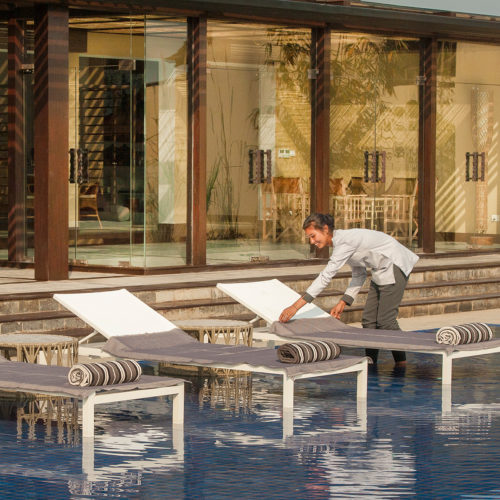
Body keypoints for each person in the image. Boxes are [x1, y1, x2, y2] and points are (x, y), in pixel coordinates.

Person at [279, 213, 419, 366]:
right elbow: (359, 274)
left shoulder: (345, 242)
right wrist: (344, 301)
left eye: (313, 236)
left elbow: (326, 276)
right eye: (309, 238)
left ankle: (402, 363)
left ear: (325, 229)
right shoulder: (343, 245)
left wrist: (295, 307)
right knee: (369, 320)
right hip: (380, 268)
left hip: (396, 264)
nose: (312, 242)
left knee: (386, 321)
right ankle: (371, 363)